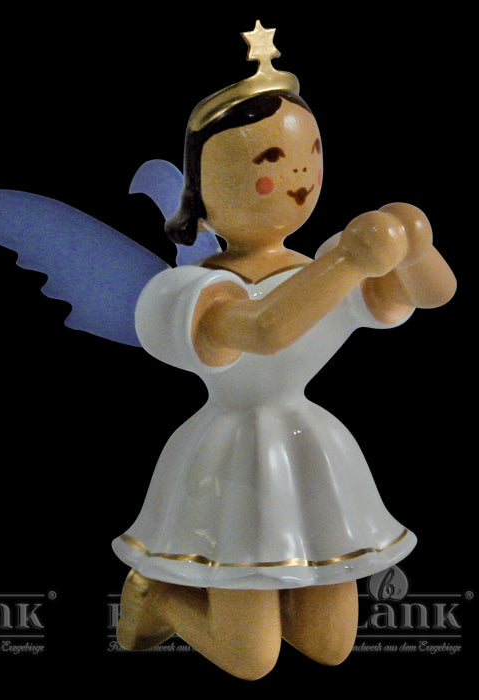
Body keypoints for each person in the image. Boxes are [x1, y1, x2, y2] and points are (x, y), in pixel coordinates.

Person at [111, 22, 456, 680]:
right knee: (252, 658)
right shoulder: (188, 291)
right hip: (229, 460)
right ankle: (161, 601)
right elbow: (265, 331)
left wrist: (414, 238)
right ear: (204, 190)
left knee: (330, 646)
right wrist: (350, 262)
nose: (299, 176)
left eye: (310, 155)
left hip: (311, 454)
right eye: (269, 162)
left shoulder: (323, 266)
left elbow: (429, 295)